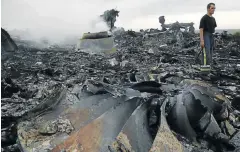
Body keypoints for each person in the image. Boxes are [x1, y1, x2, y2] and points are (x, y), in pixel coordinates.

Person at [199, 3, 217, 71]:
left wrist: (214, 39)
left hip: (211, 35)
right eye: (212, 8)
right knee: (206, 52)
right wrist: (202, 40)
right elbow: (201, 30)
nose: (213, 10)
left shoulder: (213, 19)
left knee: (211, 51)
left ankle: (209, 67)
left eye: (214, 8)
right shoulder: (204, 18)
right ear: (208, 8)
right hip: (205, 35)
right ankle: (204, 69)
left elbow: (213, 29)